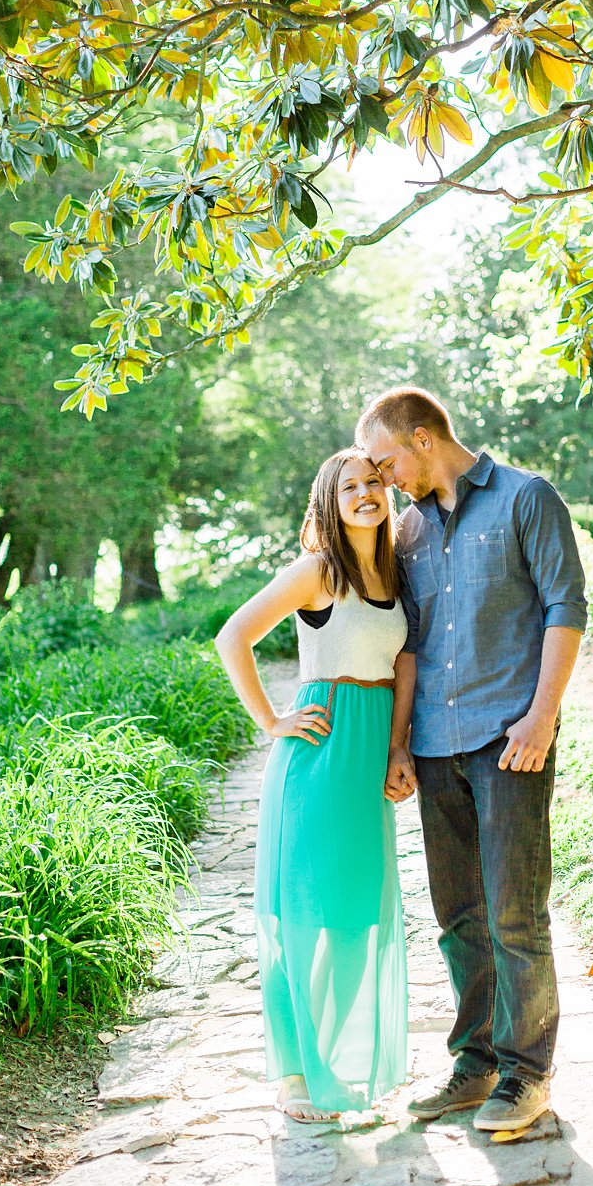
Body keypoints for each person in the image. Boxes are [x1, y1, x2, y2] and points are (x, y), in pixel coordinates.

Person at [356, 386, 588, 1135]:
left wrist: (542, 716)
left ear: (421, 437)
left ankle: (528, 1073)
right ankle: (477, 1061)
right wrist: (397, 744)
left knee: (516, 910)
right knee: (460, 917)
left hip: (509, 741)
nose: (381, 476)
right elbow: (410, 646)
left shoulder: (527, 497)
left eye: (386, 459)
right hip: (433, 746)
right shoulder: (411, 532)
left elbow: (565, 606)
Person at [215, 450, 414, 1123]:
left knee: (358, 921)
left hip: (366, 764)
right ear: (328, 502)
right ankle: (296, 1074)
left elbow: (403, 666)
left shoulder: (395, 572)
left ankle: (325, 1053)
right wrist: (272, 719)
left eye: (372, 483)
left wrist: (396, 751)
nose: (364, 494)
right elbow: (232, 635)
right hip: (317, 761)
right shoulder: (317, 571)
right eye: (348, 486)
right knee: (300, 920)